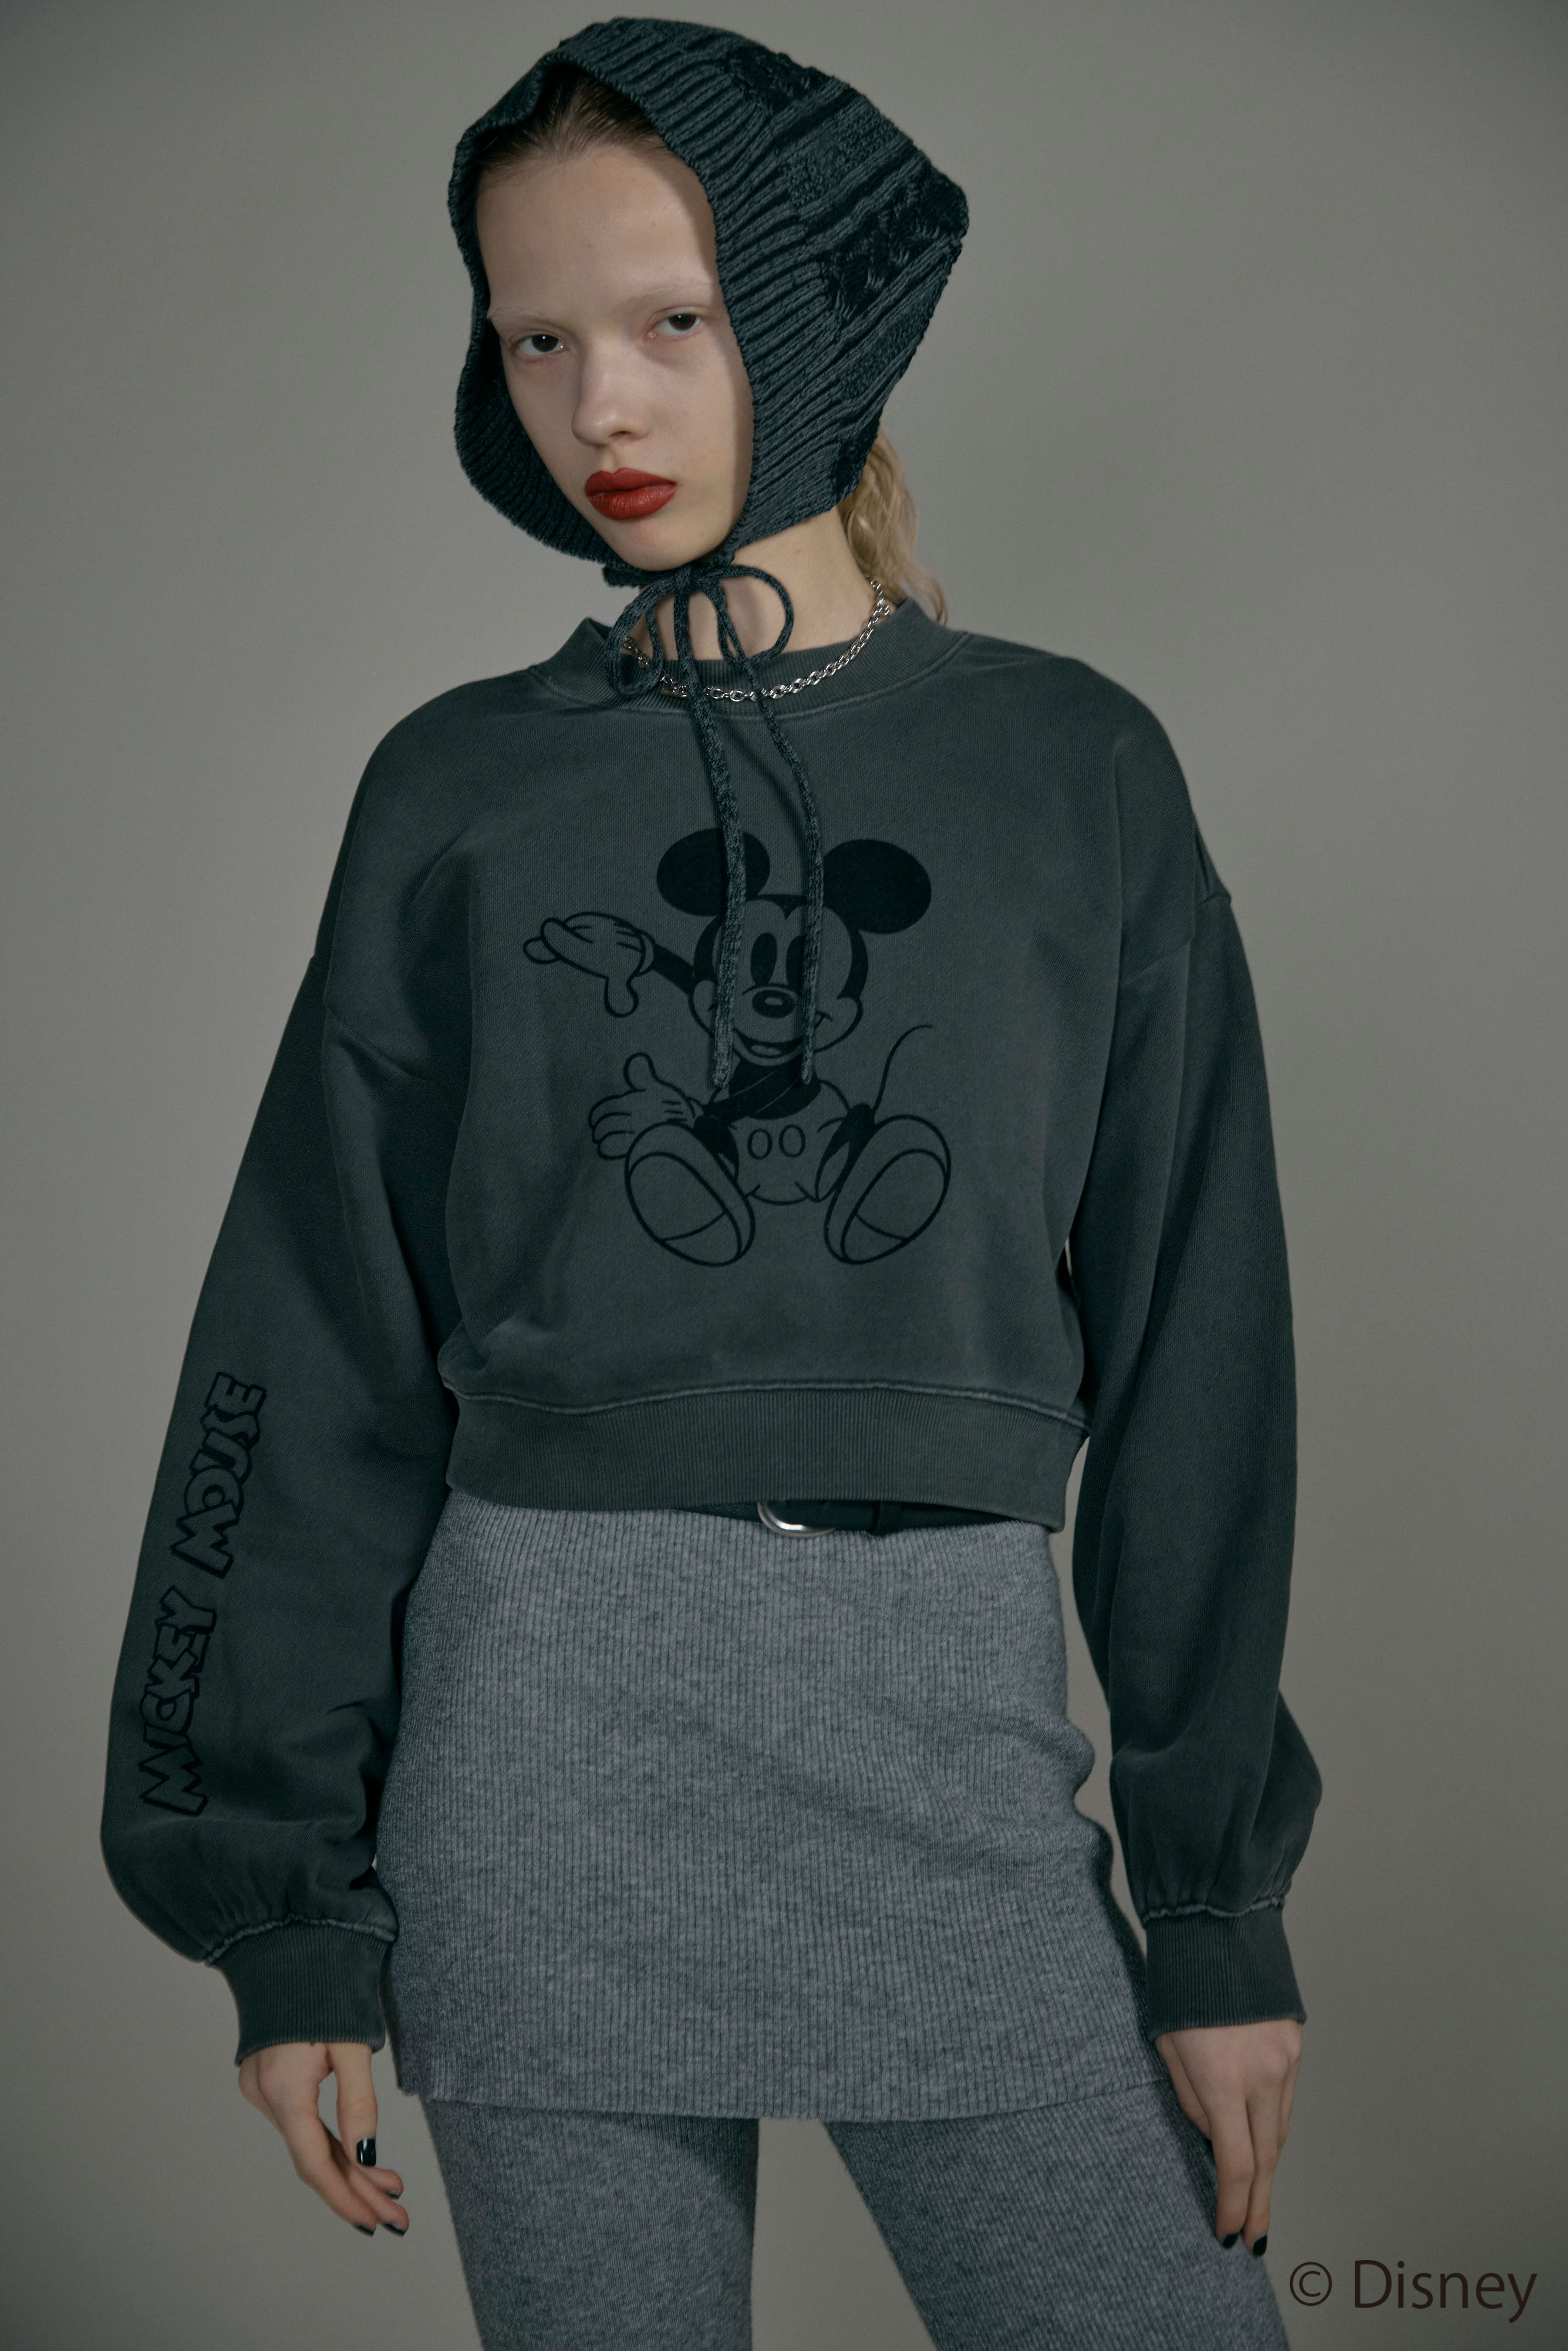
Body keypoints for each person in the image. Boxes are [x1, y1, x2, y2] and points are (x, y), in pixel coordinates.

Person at [101, 21, 1322, 2349]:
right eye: (536, 340)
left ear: (813, 319)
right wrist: (283, 1913)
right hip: (532, 1764)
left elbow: (1203, 1350)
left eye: (671, 321)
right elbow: (312, 1345)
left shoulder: (1068, 770)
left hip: (947, 1743)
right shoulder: (456, 791)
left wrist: (1211, 1907)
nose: (604, 407)